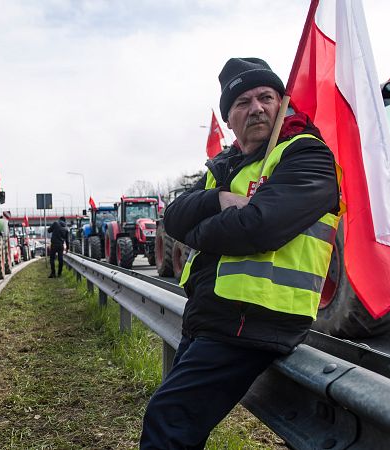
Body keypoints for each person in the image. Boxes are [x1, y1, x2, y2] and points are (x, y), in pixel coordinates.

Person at [140, 57, 341, 448]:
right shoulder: (227, 165)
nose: (257, 108)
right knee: (175, 421)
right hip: (214, 316)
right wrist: (218, 199)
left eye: (266, 97)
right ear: (229, 119)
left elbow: (258, 227)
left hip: (255, 319)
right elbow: (174, 218)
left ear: (282, 104)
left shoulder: (307, 154)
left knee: (168, 419)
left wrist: (199, 231)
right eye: (243, 102)